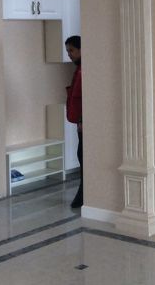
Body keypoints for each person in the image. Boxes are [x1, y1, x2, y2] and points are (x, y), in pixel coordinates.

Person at [65, 35, 84, 208]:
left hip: (83, 123)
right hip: (79, 122)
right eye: (68, 51)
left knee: (83, 156)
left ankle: (83, 195)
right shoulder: (78, 70)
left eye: (71, 50)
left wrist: (82, 120)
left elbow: (86, 98)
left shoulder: (84, 71)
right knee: (81, 155)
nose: (69, 54)